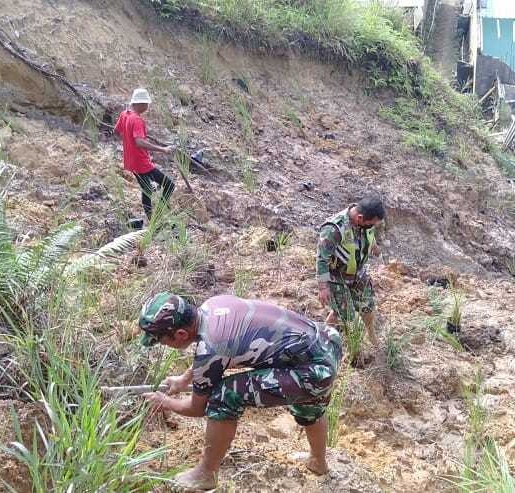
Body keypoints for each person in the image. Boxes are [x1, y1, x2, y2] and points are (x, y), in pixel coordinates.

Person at [139, 292, 342, 490]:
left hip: (313, 371)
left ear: (181, 334)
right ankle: (318, 461)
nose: (163, 344)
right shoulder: (213, 305)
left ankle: (206, 473)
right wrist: (184, 379)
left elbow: (196, 408)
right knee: (309, 398)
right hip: (325, 343)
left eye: (161, 340)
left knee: (225, 395)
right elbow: (219, 353)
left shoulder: (211, 348)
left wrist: (165, 402)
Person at [316, 197, 385, 345]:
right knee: (348, 318)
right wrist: (323, 287)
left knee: (368, 307)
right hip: (337, 278)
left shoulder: (365, 222)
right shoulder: (333, 229)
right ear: (360, 218)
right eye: (371, 224)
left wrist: (373, 246)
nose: (372, 226)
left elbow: (368, 235)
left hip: (358, 274)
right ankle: (352, 351)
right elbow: (322, 259)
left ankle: (372, 337)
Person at [114, 88, 176, 218]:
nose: (147, 107)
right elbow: (139, 142)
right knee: (169, 185)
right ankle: (157, 216)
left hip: (131, 161)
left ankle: (152, 219)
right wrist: (163, 149)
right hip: (141, 163)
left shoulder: (125, 114)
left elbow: (117, 131)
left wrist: (127, 143)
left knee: (147, 189)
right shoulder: (137, 120)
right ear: (140, 103)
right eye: (146, 104)